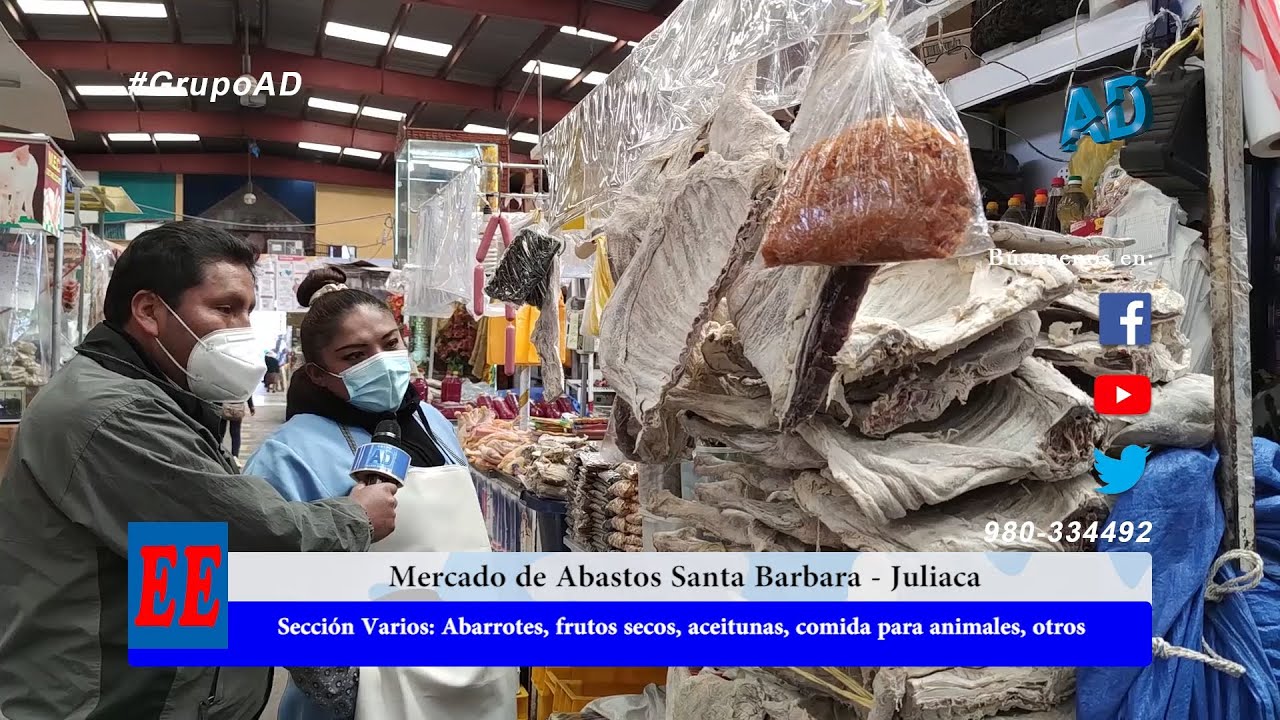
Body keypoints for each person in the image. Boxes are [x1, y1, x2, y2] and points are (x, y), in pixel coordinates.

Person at [0, 222, 400, 720]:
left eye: (248, 311)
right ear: (148, 311)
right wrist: (355, 519)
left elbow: (178, 570)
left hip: (164, 687)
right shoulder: (111, 412)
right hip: (116, 699)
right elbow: (240, 537)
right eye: (225, 308)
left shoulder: (157, 395)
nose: (242, 329)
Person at [245, 266, 510, 720]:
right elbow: (258, 583)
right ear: (319, 374)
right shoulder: (291, 453)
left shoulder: (434, 421)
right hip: (368, 684)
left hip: (475, 672)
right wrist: (338, 679)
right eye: (354, 355)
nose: (382, 362)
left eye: (390, 345)